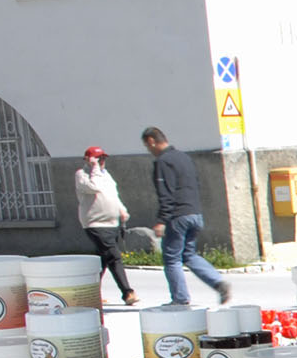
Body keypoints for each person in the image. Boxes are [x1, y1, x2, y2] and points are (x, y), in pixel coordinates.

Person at [140, 127, 230, 306]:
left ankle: (180, 298)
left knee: (172, 258)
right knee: (188, 254)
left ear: (152, 141)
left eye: (147, 146)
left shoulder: (163, 162)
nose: (148, 150)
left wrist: (162, 220)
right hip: (195, 213)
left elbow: (166, 193)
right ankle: (218, 282)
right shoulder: (184, 158)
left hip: (178, 216)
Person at [74, 146, 138, 306]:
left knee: (102, 260)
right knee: (114, 257)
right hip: (95, 224)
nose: (102, 161)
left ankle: (89, 294)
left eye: (103, 158)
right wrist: (94, 168)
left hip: (112, 223)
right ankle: (128, 293)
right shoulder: (81, 175)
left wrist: (122, 210)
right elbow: (93, 187)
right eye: (98, 158)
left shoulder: (105, 174)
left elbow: (113, 195)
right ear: (88, 159)